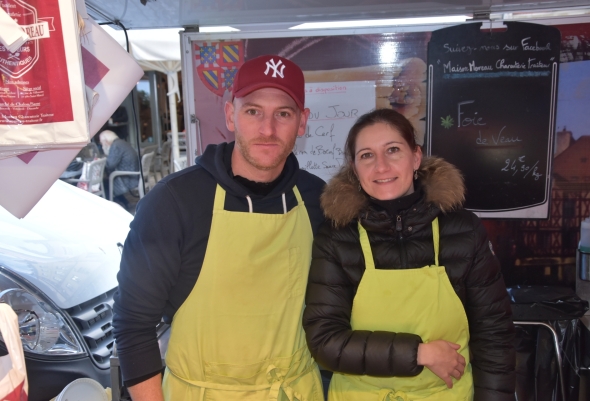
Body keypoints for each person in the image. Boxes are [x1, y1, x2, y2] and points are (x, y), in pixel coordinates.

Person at [112, 55, 326, 401]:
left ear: (302, 122)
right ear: (230, 115)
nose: (267, 129)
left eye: (283, 114)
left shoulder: (319, 200)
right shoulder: (174, 202)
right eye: (253, 111)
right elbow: (133, 322)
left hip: (295, 391)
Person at [303, 108, 516, 401]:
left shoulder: (463, 230)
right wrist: (418, 353)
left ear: (416, 157)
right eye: (367, 155)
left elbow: (494, 336)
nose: (381, 166)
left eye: (393, 150)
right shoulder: (337, 237)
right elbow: (325, 341)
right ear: (354, 168)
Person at [99, 130, 139, 209]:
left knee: (103, 184)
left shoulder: (116, 146)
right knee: (107, 181)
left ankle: (111, 207)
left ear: (106, 141)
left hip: (128, 177)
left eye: (102, 143)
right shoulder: (121, 143)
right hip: (133, 174)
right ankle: (125, 203)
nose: (102, 145)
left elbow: (110, 165)